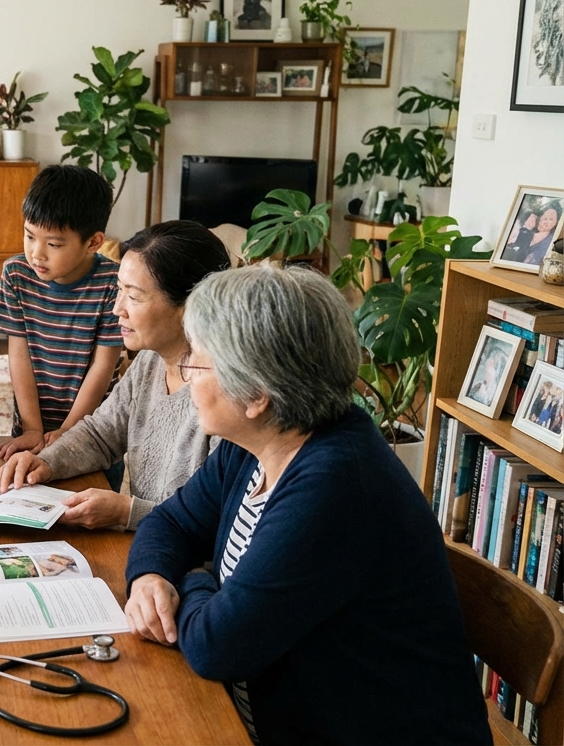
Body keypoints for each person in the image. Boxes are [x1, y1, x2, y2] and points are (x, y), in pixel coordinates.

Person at [123, 264, 490, 744]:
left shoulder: (335, 485)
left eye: (197, 362)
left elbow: (217, 646)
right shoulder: (255, 444)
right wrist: (151, 576)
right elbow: (171, 523)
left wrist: (191, 577)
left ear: (255, 394)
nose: (187, 376)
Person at [0, 220, 231, 530]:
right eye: (120, 290)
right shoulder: (149, 361)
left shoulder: (228, 394)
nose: (118, 308)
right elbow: (101, 433)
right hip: (150, 543)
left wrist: (127, 512)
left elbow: (220, 521)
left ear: (191, 306)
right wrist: (47, 461)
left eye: (133, 296)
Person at [0, 165, 125, 460]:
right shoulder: (16, 274)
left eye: (53, 244)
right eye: (29, 236)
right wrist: (31, 428)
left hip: (94, 431)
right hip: (31, 424)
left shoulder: (113, 282)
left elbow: (103, 366)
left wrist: (70, 429)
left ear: (93, 242)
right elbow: (19, 355)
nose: (36, 254)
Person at [503, 199, 563, 266]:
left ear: (556, 223)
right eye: (545, 218)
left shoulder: (550, 241)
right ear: (539, 218)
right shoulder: (526, 233)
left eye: (551, 219)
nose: (546, 222)